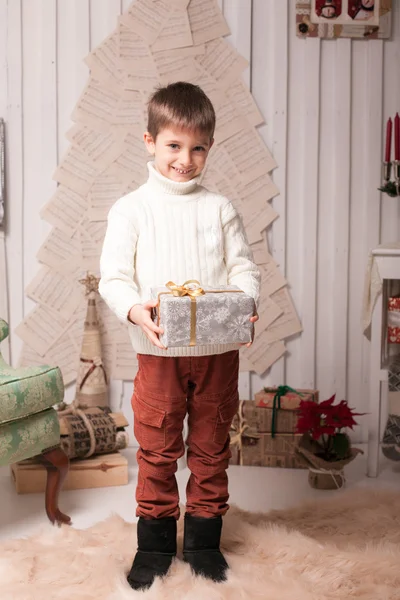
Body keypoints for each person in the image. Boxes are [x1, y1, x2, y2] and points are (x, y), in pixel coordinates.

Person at [99, 81, 261, 591]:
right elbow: (114, 278)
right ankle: (153, 546)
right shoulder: (132, 208)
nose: (184, 159)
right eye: (173, 145)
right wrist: (133, 310)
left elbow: (244, 268)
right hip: (160, 352)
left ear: (208, 148)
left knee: (212, 446)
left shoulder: (219, 207)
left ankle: (205, 543)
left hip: (217, 353)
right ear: (149, 141)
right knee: (157, 447)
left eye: (197, 149)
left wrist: (245, 304)